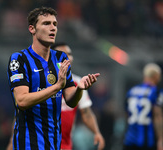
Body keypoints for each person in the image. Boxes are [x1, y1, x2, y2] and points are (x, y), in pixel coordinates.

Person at [7, 7, 100, 150]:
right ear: (32, 29)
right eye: (46, 24)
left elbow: (70, 101)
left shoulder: (61, 58)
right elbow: (22, 101)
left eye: (55, 24)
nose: (52, 28)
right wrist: (57, 87)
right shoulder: (19, 59)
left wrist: (80, 89)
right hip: (28, 143)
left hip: (54, 142)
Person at [51, 42, 105, 150]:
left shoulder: (78, 83)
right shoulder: (41, 81)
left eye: (69, 54)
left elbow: (86, 113)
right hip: (41, 143)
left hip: (65, 145)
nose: (67, 58)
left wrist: (96, 132)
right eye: (62, 54)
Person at [123, 63, 163, 150]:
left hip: (129, 139)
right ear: (156, 76)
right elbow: (157, 116)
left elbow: (127, 115)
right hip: (147, 142)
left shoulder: (131, 91)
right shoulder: (156, 92)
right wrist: (160, 139)